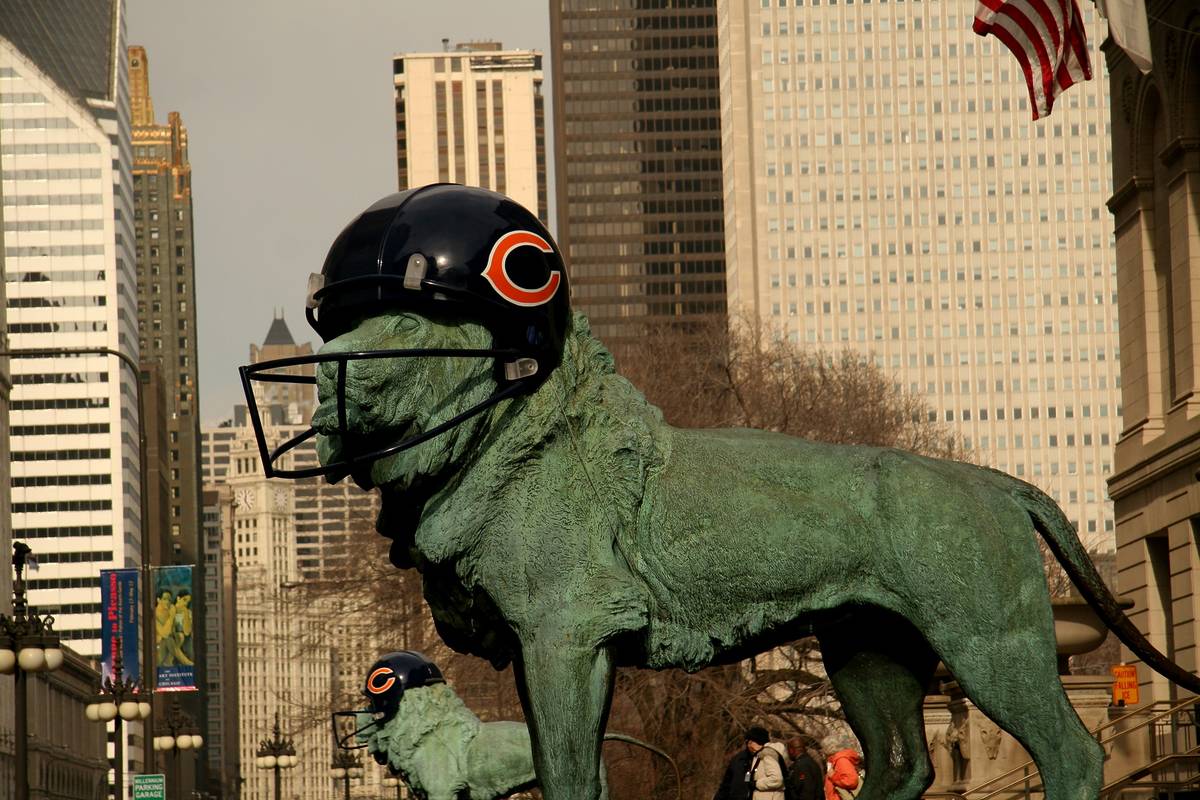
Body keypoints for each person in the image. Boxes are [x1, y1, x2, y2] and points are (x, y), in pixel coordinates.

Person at [713, 726, 770, 800]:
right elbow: (725, 787)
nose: (751, 744)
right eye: (749, 741)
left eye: (755, 742)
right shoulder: (738, 760)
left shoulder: (770, 760)